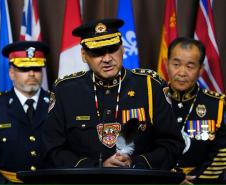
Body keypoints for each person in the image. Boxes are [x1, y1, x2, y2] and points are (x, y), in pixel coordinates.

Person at [42, 18, 184, 170]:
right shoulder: (65, 90)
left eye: (113, 49)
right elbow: (52, 149)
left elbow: (172, 144)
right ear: (84, 55)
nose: (107, 59)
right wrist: (97, 167)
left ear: (122, 48)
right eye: (98, 53)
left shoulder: (151, 85)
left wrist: (135, 163)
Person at [0, 41, 50, 183]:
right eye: (24, 69)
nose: (32, 74)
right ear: (11, 73)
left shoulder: (57, 105)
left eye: (37, 68)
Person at [166, 37, 226, 184]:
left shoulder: (216, 104)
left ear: (200, 69)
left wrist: (196, 180)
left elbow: (222, 152)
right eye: (176, 64)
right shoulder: (154, 99)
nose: (182, 72)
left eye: (190, 66)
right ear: (167, 64)